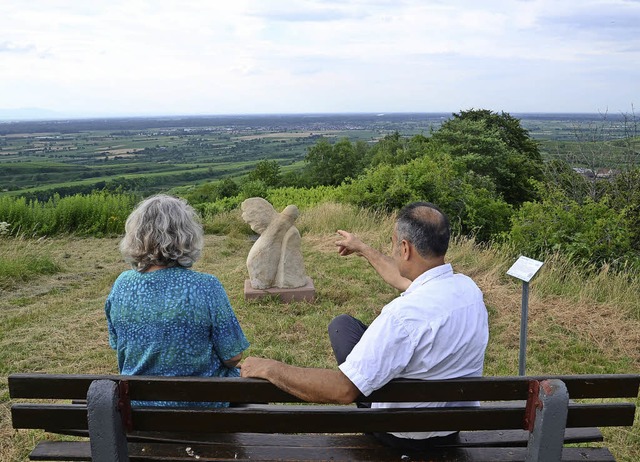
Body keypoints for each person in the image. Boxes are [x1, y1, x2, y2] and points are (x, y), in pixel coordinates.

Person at [240, 202, 489, 448]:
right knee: (343, 325)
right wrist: (361, 248)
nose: (391, 250)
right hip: (449, 427)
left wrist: (270, 368)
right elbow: (399, 277)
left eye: (392, 243)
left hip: (400, 435)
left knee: (348, 343)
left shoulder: (402, 316)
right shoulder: (468, 290)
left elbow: (343, 390)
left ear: (405, 248)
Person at [105, 194, 250, 407]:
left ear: (136, 235)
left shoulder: (122, 284)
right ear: (187, 235)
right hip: (203, 410)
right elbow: (233, 357)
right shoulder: (206, 286)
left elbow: (117, 344)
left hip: (141, 411)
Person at [241, 197, 308, 289]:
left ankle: (264, 282)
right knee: (259, 277)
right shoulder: (280, 227)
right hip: (260, 264)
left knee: (261, 278)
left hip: (264, 267)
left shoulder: (291, 232)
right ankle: (262, 281)